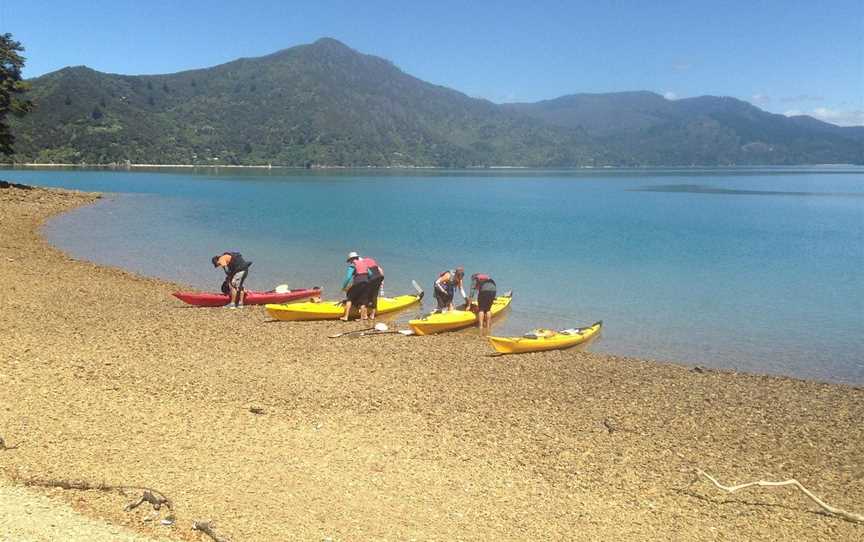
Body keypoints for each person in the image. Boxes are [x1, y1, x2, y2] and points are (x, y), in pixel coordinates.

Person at [340, 251, 369, 321]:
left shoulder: (352, 266)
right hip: (366, 282)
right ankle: (362, 317)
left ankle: (346, 316)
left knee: (349, 298)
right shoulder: (364, 264)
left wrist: (344, 287)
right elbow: (370, 274)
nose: (350, 262)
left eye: (350, 260)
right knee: (362, 300)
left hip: (358, 282)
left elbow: (348, 277)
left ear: (351, 259)